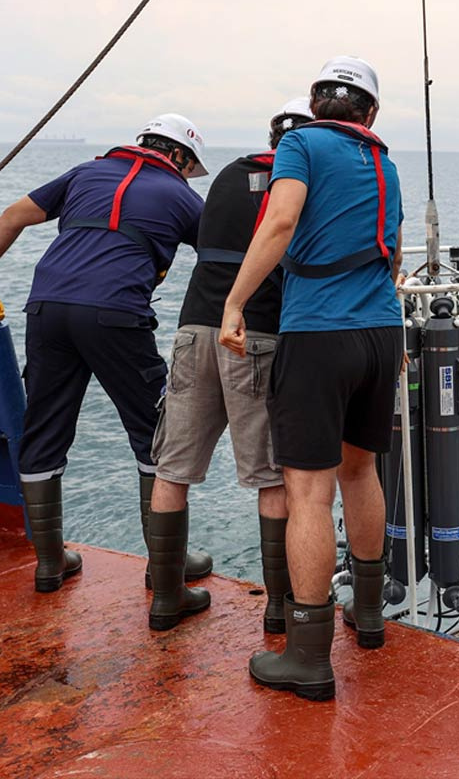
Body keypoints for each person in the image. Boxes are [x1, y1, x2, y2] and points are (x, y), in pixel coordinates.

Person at [0, 113, 213, 594]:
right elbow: (221, 258)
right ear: (178, 156)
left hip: (47, 308)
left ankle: (50, 563)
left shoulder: (83, 173)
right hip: (117, 316)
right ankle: (167, 565)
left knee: (45, 428)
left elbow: (13, 215)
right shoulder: (182, 196)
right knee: (156, 436)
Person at [219, 57, 404, 701]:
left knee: (307, 493)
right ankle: (372, 613)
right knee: (362, 470)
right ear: (370, 114)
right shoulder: (385, 162)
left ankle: (307, 657)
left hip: (318, 336)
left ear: (318, 103)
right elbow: (395, 253)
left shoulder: (299, 142)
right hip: (382, 335)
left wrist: (236, 302)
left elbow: (280, 220)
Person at [148, 99, 315, 632]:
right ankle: (278, 607)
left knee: (172, 467)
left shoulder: (224, 176)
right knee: (271, 476)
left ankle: (166, 598)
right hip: (254, 334)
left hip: (193, 328)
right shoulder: (302, 185)